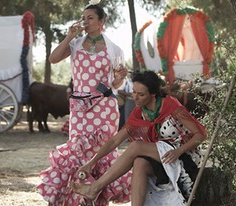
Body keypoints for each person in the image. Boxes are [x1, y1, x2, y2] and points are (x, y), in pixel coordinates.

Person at [36, 2, 131, 205]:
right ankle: (75, 198)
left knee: (103, 151)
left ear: (101, 21)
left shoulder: (115, 49)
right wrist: (69, 35)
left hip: (105, 108)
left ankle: (98, 198)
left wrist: (121, 78)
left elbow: (115, 84)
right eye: (83, 17)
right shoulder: (76, 44)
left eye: (90, 18)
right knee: (77, 149)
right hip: (80, 108)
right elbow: (53, 59)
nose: (85, 22)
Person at [72, 71, 207, 206]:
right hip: (161, 156)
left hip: (183, 155)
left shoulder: (171, 106)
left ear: (153, 94)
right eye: (134, 92)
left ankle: (95, 188)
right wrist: (91, 162)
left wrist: (178, 151)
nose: (135, 98)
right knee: (139, 163)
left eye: (141, 94)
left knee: (136, 146)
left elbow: (201, 135)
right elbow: (114, 140)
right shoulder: (139, 112)